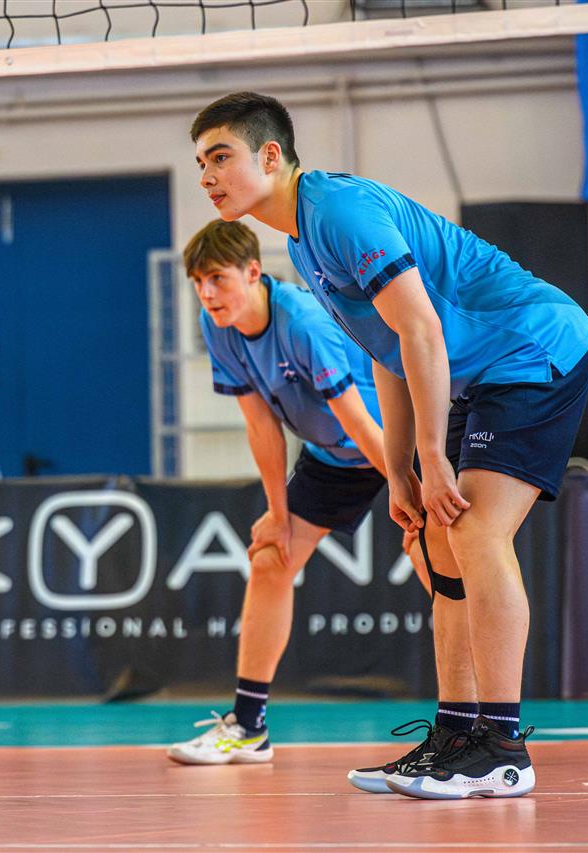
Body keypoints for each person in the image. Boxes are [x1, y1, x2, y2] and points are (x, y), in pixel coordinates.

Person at [190, 92, 588, 799]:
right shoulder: (304, 238)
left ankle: (504, 749)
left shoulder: (338, 212)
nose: (206, 176)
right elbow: (389, 350)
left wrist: (431, 458)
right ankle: (456, 736)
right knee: (442, 541)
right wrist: (403, 470)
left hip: (533, 347)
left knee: (475, 531)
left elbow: (421, 330)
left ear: (270, 155)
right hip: (478, 373)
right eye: (200, 162)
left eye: (220, 157)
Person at [166, 219, 423, 766]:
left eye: (217, 278)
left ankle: (482, 723)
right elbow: (261, 425)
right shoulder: (218, 326)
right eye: (198, 282)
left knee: (437, 564)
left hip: (391, 444)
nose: (207, 293)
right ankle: (248, 726)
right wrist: (277, 514)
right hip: (333, 459)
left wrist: (408, 494)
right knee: (270, 559)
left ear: (252, 272)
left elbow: (357, 421)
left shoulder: (302, 322)